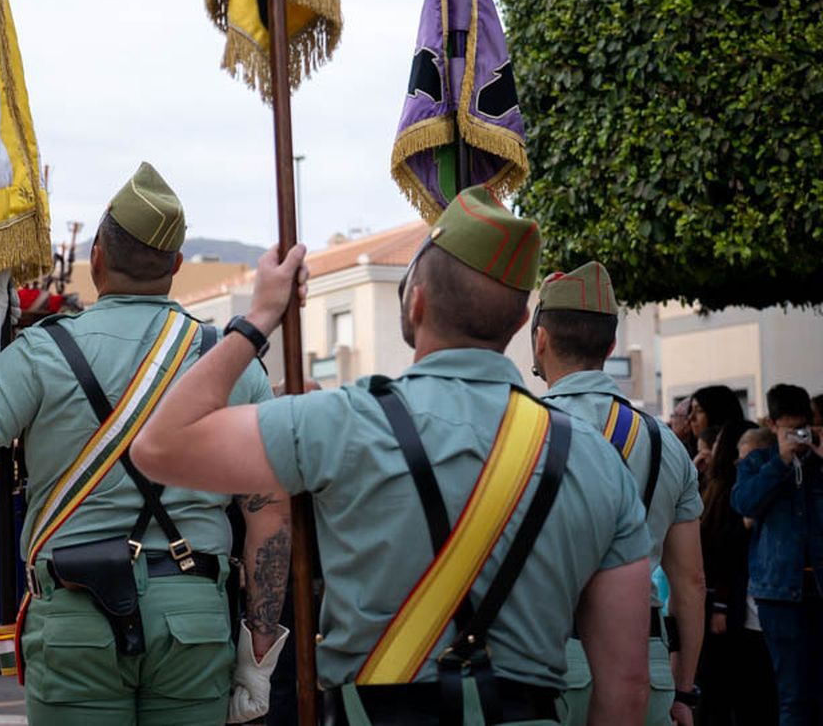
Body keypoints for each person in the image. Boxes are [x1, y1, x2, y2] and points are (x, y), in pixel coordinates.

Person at [133, 186, 655, 726]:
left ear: (415, 302)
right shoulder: (596, 459)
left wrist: (260, 317)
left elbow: (159, 446)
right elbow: (626, 687)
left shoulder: (342, 422)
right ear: (523, 323)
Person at [0, 163, 296, 724]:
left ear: (95, 259)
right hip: (192, 618)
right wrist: (259, 649)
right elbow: (268, 513)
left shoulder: (44, 352)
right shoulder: (228, 359)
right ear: (176, 267)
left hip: (75, 617)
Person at [530, 260, 705, 725]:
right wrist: (685, 692)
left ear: (540, 340)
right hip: (643, 661)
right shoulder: (665, 442)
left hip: (542, 660)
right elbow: (690, 584)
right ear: (610, 346)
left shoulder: (518, 435)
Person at [732, 383, 823, 726]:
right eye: (790, 429)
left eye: (803, 427)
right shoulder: (757, 462)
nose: (798, 436)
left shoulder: (818, 463)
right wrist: (782, 461)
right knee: (793, 694)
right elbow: (742, 503)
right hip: (779, 592)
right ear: (772, 424)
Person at [697, 418, 777, 725]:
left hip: (745, 610)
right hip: (734, 608)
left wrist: (719, 603)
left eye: (747, 459)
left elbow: (726, 555)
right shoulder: (722, 492)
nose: (737, 463)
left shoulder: (747, 496)